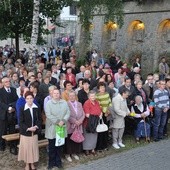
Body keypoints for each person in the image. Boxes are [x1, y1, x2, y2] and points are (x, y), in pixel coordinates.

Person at [45, 89, 70, 169]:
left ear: (60, 94)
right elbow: (48, 114)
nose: (56, 94)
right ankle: (51, 163)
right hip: (52, 128)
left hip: (61, 127)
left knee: (59, 146)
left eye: (57, 93)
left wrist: (63, 121)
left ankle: (58, 162)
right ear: (52, 94)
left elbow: (68, 112)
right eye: (54, 93)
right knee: (52, 147)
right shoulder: (49, 103)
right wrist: (58, 121)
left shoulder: (64, 102)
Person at [18, 91, 42, 170]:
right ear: (25, 99)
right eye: (27, 98)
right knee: (27, 149)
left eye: (31, 98)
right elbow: (20, 122)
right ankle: (27, 164)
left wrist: (36, 126)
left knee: (32, 149)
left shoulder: (36, 107)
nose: (29, 100)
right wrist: (28, 128)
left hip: (34, 131)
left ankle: (32, 163)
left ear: (33, 98)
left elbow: (39, 119)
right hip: (26, 132)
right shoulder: (22, 108)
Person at [0, 77, 18, 154]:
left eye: (9, 81)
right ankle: (2, 145)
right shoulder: (0, 91)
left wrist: (13, 107)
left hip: (12, 113)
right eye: (6, 82)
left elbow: (16, 100)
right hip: (4, 113)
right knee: (3, 130)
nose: (8, 83)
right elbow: (1, 103)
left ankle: (13, 145)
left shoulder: (13, 90)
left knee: (12, 130)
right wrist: (8, 108)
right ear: (3, 83)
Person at [65, 90, 85, 162]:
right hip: (70, 125)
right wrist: (75, 121)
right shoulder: (66, 104)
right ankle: (68, 154)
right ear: (68, 97)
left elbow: (83, 114)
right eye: (70, 96)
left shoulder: (79, 104)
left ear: (75, 96)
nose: (72, 97)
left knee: (76, 139)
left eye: (73, 96)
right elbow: (67, 115)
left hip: (78, 125)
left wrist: (80, 121)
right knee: (69, 140)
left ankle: (74, 153)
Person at [83, 90, 102, 156]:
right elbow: (87, 114)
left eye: (94, 95)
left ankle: (93, 149)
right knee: (88, 136)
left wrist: (100, 114)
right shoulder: (86, 103)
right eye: (91, 96)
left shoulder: (97, 102)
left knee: (94, 136)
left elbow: (99, 110)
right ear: (88, 97)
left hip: (95, 122)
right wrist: (96, 115)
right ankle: (87, 150)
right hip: (88, 123)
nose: (93, 97)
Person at [95, 82, 112, 151]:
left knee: (106, 130)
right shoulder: (97, 96)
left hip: (107, 114)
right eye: (101, 87)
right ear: (98, 89)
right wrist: (105, 111)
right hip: (101, 115)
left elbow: (110, 103)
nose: (103, 89)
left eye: (103, 87)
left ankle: (105, 145)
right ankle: (99, 146)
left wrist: (108, 110)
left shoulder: (107, 94)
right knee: (100, 130)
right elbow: (99, 105)